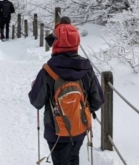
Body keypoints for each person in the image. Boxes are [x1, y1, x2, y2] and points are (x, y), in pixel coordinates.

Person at [28, 17, 104, 165]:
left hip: (56, 131)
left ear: (56, 43)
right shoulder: (86, 69)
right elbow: (97, 101)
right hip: (80, 127)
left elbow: (36, 102)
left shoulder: (48, 71)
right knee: (73, 157)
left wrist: (34, 88)